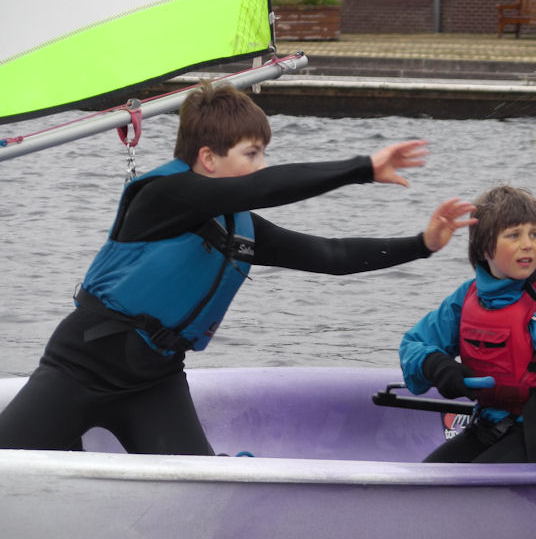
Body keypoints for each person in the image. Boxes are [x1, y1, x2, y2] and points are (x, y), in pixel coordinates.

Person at [0, 81, 476, 456]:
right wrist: (362, 167)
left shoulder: (240, 230)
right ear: (207, 159)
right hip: (81, 367)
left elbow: (331, 256)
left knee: (200, 495)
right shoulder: (161, 198)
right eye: (252, 154)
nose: (261, 165)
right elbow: (269, 187)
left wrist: (422, 244)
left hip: (155, 381)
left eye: (263, 154)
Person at [399, 185, 536, 466]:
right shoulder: (467, 298)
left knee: (471, 486)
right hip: (489, 426)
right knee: (428, 475)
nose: (528, 244)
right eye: (514, 235)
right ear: (485, 248)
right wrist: (436, 365)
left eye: (534, 234)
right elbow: (412, 344)